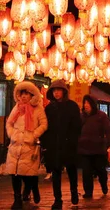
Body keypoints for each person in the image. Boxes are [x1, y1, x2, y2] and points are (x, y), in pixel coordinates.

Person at [5, 81, 48, 210]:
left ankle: (32, 188)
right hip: (15, 145)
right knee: (15, 173)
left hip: (29, 146)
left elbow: (43, 124)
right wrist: (12, 134)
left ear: (32, 95)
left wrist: (34, 135)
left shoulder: (38, 108)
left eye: (26, 94)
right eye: (21, 94)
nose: (23, 97)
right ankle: (17, 199)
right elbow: (9, 123)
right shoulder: (17, 107)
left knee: (28, 174)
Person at [41, 79, 81, 210]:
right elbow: (45, 127)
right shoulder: (49, 108)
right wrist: (45, 143)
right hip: (54, 145)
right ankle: (57, 199)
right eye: (54, 90)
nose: (56, 93)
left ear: (64, 92)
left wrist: (72, 140)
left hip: (69, 144)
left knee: (71, 170)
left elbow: (77, 126)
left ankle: (74, 192)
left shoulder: (72, 106)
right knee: (56, 172)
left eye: (58, 90)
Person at [78, 94, 110, 199]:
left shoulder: (101, 116)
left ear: (93, 104)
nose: (86, 105)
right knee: (86, 172)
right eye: (84, 103)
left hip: (98, 149)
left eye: (88, 103)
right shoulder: (81, 116)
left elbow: (108, 130)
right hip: (84, 148)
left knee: (101, 170)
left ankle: (104, 184)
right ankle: (88, 192)